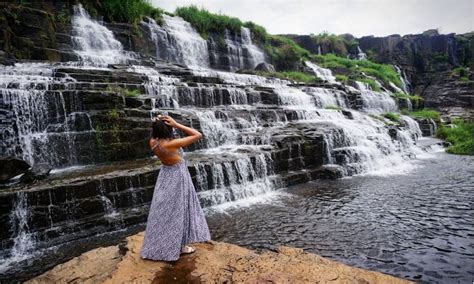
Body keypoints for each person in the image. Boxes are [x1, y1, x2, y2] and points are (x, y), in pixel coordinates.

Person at [140, 114, 211, 261]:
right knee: (180, 210)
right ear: (168, 130)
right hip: (178, 175)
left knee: (166, 211)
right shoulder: (170, 144)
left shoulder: (153, 142)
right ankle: (179, 247)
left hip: (165, 174)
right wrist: (177, 124)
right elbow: (198, 134)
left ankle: (163, 244)